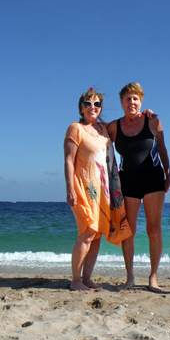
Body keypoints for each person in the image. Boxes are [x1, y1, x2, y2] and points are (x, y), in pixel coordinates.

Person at [64, 88, 132, 292]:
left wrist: (144, 114)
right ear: (81, 107)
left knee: (97, 235)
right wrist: (70, 189)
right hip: (84, 188)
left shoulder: (104, 129)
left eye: (96, 104)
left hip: (103, 190)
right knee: (88, 231)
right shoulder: (75, 128)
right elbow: (68, 160)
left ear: (101, 108)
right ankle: (75, 280)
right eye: (87, 103)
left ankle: (86, 278)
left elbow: (127, 121)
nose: (92, 107)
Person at [107, 83, 170, 292]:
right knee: (129, 231)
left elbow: (161, 146)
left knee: (154, 229)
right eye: (127, 99)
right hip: (128, 182)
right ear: (121, 103)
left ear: (141, 102)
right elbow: (97, 137)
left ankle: (153, 277)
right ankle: (130, 278)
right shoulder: (114, 127)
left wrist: (168, 173)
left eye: (135, 99)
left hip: (153, 179)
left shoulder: (152, 121)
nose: (131, 102)